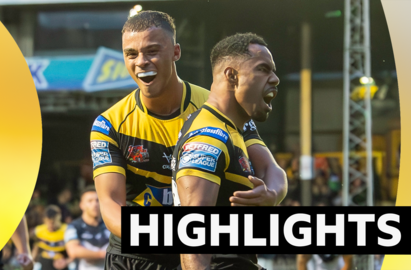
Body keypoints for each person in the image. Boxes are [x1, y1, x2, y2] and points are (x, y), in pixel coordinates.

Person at [91, 11, 286, 270]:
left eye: (152, 51)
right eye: (131, 54)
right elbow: (111, 205)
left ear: (176, 52)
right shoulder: (109, 124)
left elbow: (271, 169)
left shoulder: (216, 108)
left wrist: (272, 195)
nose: (141, 62)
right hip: (137, 256)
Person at [172, 32, 279, 270]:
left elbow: (274, 170)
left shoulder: (236, 128)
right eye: (263, 69)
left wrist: (271, 195)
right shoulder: (209, 137)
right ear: (232, 75)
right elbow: (192, 236)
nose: (275, 79)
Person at [65, 186, 110, 270]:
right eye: (90, 201)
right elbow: (73, 251)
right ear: (81, 205)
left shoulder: (110, 224)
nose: (95, 204)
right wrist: (103, 254)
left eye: (97, 200)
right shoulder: (74, 226)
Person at [33, 205, 72, 270]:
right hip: (44, 264)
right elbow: (35, 248)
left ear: (59, 218)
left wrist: (66, 262)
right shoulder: (38, 230)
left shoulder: (67, 230)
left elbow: (73, 251)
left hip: (61, 264)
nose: (50, 225)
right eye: (47, 222)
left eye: (53, 222)